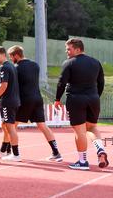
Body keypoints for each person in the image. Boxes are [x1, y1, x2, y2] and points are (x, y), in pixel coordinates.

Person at [54, 38, 108, 170]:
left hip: (76, 99)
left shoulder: (69, 63)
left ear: (77, 49)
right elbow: (101, 82)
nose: (67, 52)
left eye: (69, 49)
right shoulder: (96, 62)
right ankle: (100, 150)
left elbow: (61, 82)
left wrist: (57, 99)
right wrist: (95, 96)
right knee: (92, 127)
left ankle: (82, 162)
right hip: (93, 99)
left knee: (80, 131)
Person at [8, 45, 63, 162]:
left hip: (24, 100)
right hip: (38, 98)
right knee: (42, 125)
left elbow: (14, 86)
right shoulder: (35, 65)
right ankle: (56, 152)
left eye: (11, 57)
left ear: (16, 55)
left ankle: (12, 152)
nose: (10, 59)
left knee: (11, 126)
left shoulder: (15, 68)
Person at [0, 46, 21, 162]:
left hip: (8, 101)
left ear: (3, 55)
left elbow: (3, 85)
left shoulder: (4, 68)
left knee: (10, 127)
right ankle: (3, 150)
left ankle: (16, 154)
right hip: (13, 100)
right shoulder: (12, 66)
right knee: (5, 125)